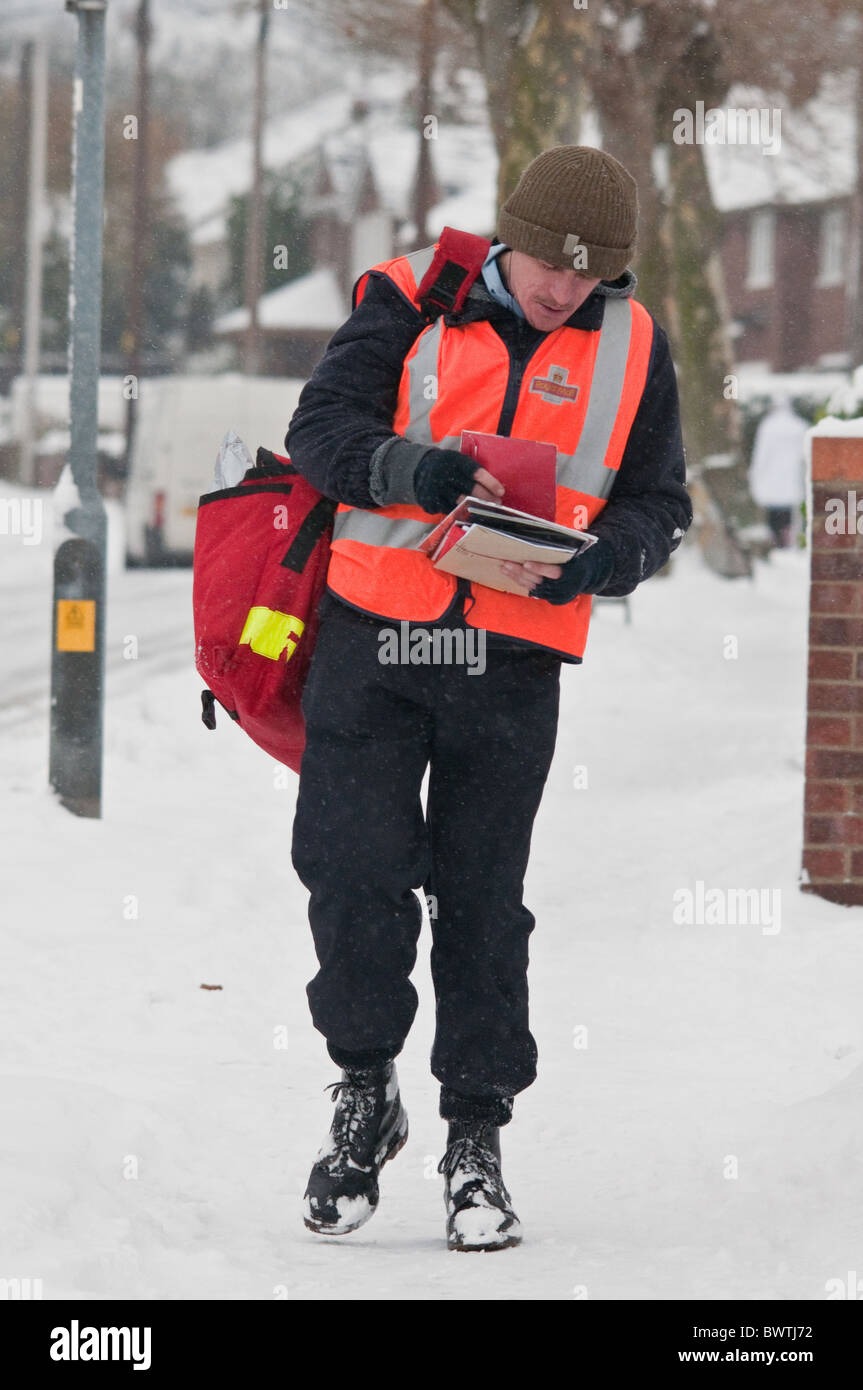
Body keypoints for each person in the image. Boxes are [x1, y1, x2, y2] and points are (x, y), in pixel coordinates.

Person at [285, 145, 693, 1252]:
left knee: (480, 900)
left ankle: (477, 1138)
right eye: (552, 266)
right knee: (353, 869)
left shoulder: (633, 343)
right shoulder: (406, 294)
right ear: (508, 234)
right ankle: (363, 1091)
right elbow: (317, 434)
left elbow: (660, 500)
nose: (565, 290)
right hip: (374, 639)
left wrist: (601, 558)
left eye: (590, 274)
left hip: (509, 662)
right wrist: (403, 470)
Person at [747, 395, 808, 547]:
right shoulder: (799, 426)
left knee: (774, 514)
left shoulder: (767, 427)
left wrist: (755, 474)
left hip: (772, 478)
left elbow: (761, 455)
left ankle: (775, 540)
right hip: (792, 478)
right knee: (789, 513)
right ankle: (788, 538)